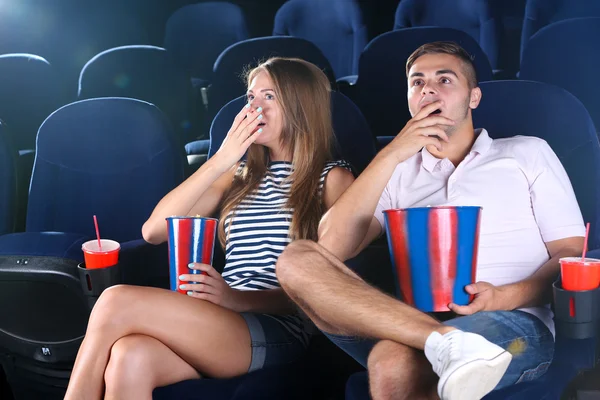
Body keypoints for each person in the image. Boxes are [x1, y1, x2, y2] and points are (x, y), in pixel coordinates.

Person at [275, 42, 585, 400]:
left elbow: (569, 253)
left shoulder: (526, 152)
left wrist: (502, 297)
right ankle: (446, 341)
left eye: (444, 79)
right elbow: (330, 248)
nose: (428, 89)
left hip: (518, 326)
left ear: (474, 98)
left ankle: (449, 344)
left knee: (393, 362)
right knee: (296, 258)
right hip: (408, 320)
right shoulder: (396, 171)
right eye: (417, 82)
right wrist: (392, 152)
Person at [63, 57, 355, 400]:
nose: (254, 107)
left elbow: (332, 291)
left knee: (114, 301)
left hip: (277, 328)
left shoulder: (333, 178)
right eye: (250, 97)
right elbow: (154, 231)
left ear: (301, 104)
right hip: (218, 319)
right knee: (130, 356)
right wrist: (223, 157)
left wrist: (236, 299)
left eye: (269, 97)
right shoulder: (238, 176)